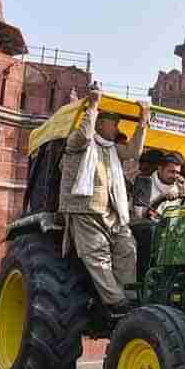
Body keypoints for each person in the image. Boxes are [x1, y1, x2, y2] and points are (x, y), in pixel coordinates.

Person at [58, 88, 149, 317]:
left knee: (128, 248)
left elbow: (134, 151)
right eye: (113, 123)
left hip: (114, 212)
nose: (117, 128)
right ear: (99, 124)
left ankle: (129, 297)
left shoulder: (111, 149)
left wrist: (143, 122)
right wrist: (93, 107)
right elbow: (85, 135)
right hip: (85, 210)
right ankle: (116, 302)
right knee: (97, 255)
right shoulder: (78, 142)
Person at [136, 152, 185, 219]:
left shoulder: (178, 186)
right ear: (160, 169)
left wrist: (184, 192)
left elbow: (183, 216)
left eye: (177, 172)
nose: (175, 176)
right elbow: (139, 214)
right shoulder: (144, 183)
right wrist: (160, 198)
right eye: (171, 172)